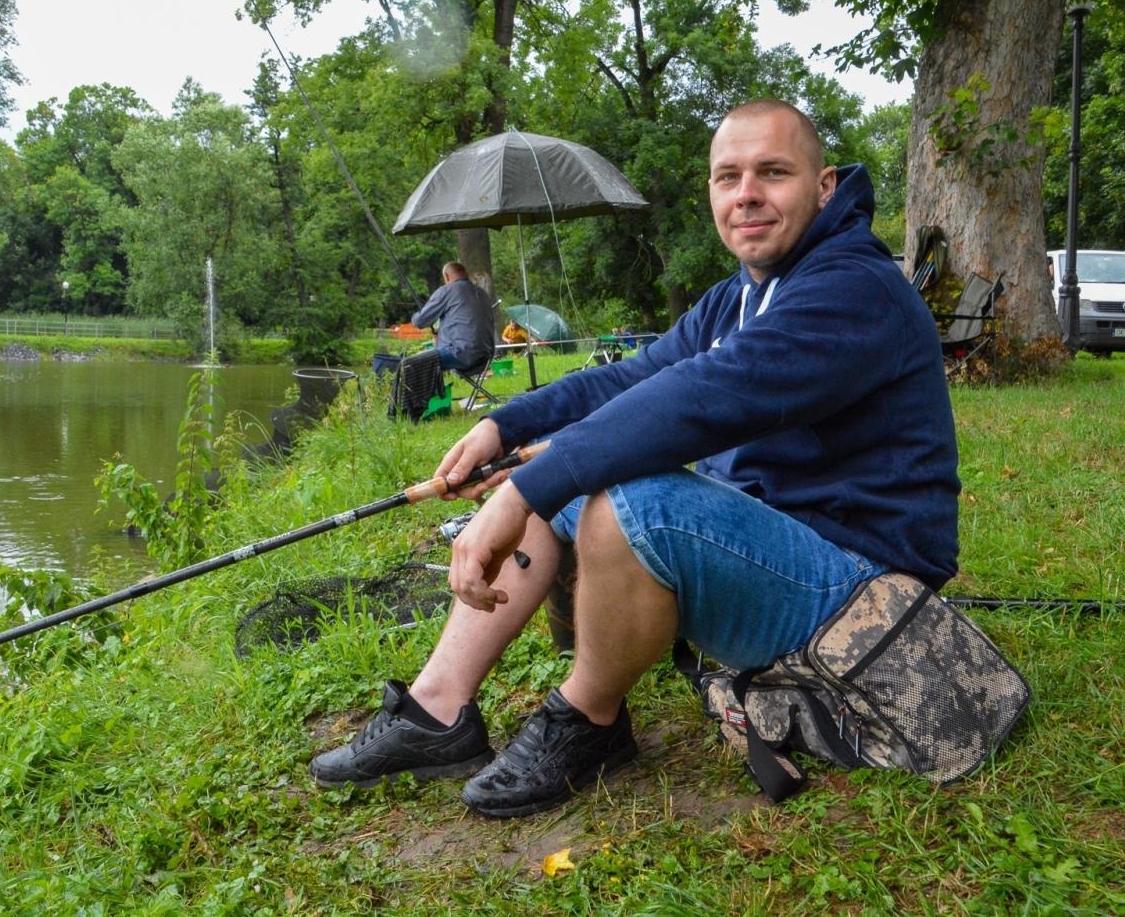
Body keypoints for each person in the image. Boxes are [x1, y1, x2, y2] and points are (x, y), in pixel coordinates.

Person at [311, 99, 960, 818]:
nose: (747, 193)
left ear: (825, 185)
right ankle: (437, 713)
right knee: (580, 469)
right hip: (776, 545)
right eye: (728, 177)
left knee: (631, 500)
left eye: (773, 173)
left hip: (866, 590)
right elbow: (631, 378)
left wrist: (521, 488)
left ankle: (589, 721)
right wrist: (504, 427)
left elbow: (699, 398)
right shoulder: (736, 298)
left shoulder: (850, 289)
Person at [411, 261, 497, 372]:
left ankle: (432, 390)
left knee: (414, 362)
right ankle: (436, 389)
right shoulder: (482, 293)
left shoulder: (447, 290)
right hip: (486, 355)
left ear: (446, 276)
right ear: (465, 274)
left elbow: (420, 321)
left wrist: (414, 317)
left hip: (461, 354)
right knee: (431, 358)